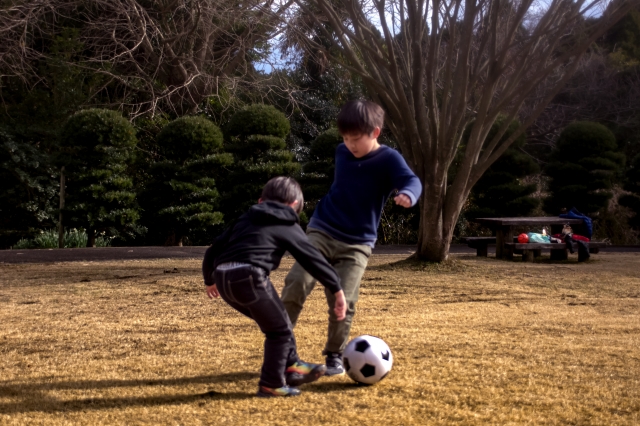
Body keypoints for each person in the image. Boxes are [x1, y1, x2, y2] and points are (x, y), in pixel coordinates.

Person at [281, 100, 422, 376]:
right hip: (322, 229)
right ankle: (280, 346)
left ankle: (335, 353)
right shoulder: (342, 152)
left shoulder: (389, 159)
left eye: (356, 138)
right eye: (345, 138)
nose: (349, 144)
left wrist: (409, 194)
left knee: (344, 299)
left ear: (375, 132)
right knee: (297, 281)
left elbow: (412, 180)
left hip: (357, 244)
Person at [202, 176, 346, 397]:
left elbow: (213, 249)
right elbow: (312, 258)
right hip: (249, 277)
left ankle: (292, 366)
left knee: (279, 322)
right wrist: (336, 288)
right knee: (279, 331)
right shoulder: (286, 221)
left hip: (223, 278)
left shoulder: (245, 218)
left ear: (261, 201)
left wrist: (209, 279)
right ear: (294, 205)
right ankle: (271, 384)